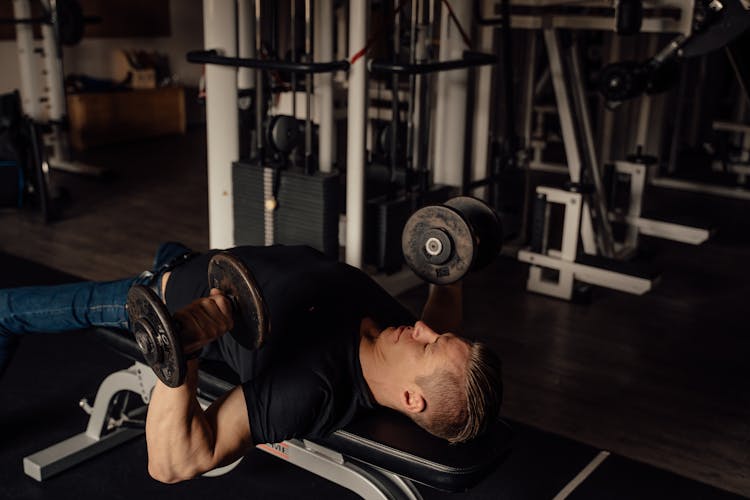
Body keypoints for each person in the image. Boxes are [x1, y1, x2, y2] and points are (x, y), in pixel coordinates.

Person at [0, 242, 503, 483]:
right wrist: (449, 267)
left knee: (4, 313)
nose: (424, 327)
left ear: (411, 398)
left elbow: (173, 465)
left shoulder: (311, 387)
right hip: (194, 256)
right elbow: (441, 320)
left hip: (154, 291)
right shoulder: (396, 340)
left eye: (430, 344)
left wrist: (185, 348)